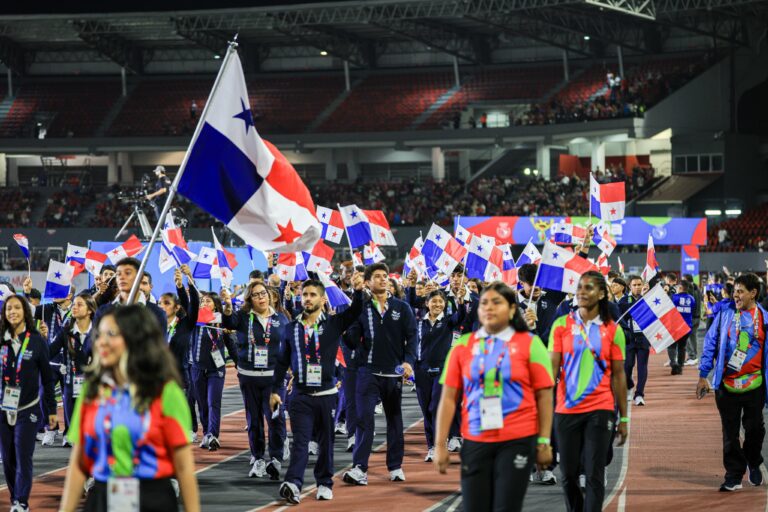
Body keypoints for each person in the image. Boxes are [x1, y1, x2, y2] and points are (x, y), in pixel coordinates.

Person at [58, 305, 200, 512]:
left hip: (152, 499)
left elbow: (184, 466)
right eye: (99, 334)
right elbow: (80, 462)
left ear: (136, 339)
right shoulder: (92, 390)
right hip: (103, 497)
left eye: (111, 334)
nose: (101, 342)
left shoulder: (166, 392)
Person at [434, 282, 554, 512]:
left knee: (505, 506)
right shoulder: (463, 346)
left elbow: (545, 396)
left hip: (517, 438)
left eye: (496, 302)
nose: (489, 307)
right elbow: (448, 398)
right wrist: (440, 445)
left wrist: (544, 441)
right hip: (476, 438)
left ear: (512, 309)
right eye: (484, 303)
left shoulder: (531, 344)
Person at [271, 274, 364, 504]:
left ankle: (324, 483)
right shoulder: (292, 328)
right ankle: (293, 483)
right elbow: (282, 361)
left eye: (313, 295)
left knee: (325, 443)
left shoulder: (334, 324)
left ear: (323, 300)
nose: (307, 298)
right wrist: (274, 390)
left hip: (326, 395)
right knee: (300, 442)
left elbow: (355, 311)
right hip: (300, 395)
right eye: (305, 294)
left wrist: (358, 290)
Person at [549, 271, 628, 512]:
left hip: (600, 408)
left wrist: (624, 418)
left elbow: (618, 376)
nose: (582, 292)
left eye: (589, 287)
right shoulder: (561, 325)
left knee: (594, 473)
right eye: (580, 287)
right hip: (566, 409)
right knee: (568, 475)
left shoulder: (613, 330)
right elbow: (551, 372)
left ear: (602, 294)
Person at [343, 263, 417, 485]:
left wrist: (408, 362)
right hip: (368, 372)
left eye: (385, 276)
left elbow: (412, 337)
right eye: (377, 276)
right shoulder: (362, 308)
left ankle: (395, 466)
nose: (383, 279)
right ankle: (359, 468)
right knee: (364, 420)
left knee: (395, 420)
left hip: (393, 374)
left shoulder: (402, 308)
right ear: (367, 282)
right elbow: (351, 340)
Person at [697, 272, 768, 492]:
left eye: (740, 291)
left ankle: (753, 461)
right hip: (727, 385)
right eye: (734, 291)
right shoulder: (725, 315)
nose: (735, 295)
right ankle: (733, 475)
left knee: (755, 430)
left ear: (753, 293)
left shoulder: (765, 319)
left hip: (755, 385)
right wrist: (703, 375)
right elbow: (710, 343)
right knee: (730, 433)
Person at [222, 281, 287, 479]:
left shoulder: (280, 318)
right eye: (256, 294)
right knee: (254, 420)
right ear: (250, 299)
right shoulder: (243, 316)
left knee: (275, 419)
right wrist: (227, 306)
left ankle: (275, 459)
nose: (261, 297)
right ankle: (258, 459)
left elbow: (289, 345)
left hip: (273, 379)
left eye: (263, 293)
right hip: (249, 378)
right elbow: (228, 323)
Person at [0, 294, 57, 512]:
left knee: (23, 456)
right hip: (3, 409)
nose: (12, 312)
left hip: (28, 409)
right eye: (8, 309)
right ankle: (15, 497)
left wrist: (51, 410)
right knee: (8, 459)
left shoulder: (36, 341)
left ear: (25, 311)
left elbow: (48, 379)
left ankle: (21, 502)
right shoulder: (1, 339)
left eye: (17, 308)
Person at [415, 289, 465, 462]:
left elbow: (461, 316)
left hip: (443, 370)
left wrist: (460, 302)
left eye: (441, 301)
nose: (437, 304)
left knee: (435, 407)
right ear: (427, 303)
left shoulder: (449, 321)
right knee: (426, 410)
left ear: (445, 304)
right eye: (434, 301)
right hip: (421, 371)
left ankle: (438, 444)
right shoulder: (419, 323)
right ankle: (431, 446)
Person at [189, 291, 237, 451]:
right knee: (202, 404)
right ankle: (206, 433)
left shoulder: (222, 321)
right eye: (202, 301)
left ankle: (213, 435)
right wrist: (183, 288)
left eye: (208, 301)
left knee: (213, 402)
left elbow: (231, 343)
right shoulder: (195, 319)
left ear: (215, 305)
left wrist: (238, 363)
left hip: (216, 369)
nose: (204, 303)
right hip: (197, 368)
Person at [158, 265, 199, 443]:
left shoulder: (185, 324)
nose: (162, 306)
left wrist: (183, 284)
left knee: (184, 404)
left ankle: (189, 429)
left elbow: (193, 305)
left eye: (167, 303)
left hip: (180, 373)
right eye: (160, 303)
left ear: (176, 307)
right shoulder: (157, 325)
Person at [49, 293, 96, 445]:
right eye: (74, 304)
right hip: (70, 386)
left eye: (79, 305)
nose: (74, 307)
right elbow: (49, 352)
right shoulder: (66, 331)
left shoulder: (98, 332)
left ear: (90, 310)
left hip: (93, 388)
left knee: (91, 432)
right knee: (76, 435)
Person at [93, 257, 166, 332]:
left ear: (140, 277)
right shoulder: (103, 311)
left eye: (127, 273)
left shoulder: (156, 313)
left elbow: (159, 339)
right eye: (118, 274)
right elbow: (93, 338)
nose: (122, 277)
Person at [619, 275, 649, 405]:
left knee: (642, 367)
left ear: (643, 285)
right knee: (628, 366)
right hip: (629, 339)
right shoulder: (624, 300)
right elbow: (630, 312)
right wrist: (642, 298)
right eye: (634, 285)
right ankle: (628, 386)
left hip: (643, 338)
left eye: (639, 285)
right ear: (629, 286)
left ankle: (639, 394)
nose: (637, 287)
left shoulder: (649, 299)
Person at [670, 281, 695, 375]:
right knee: (682, 347)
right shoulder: (692, 299)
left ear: (680, 288)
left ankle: (673, 364)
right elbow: (692, 311)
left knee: (672, 346)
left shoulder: (674, 298)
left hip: (675, 326)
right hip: (686, 327)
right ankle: (680, 366)